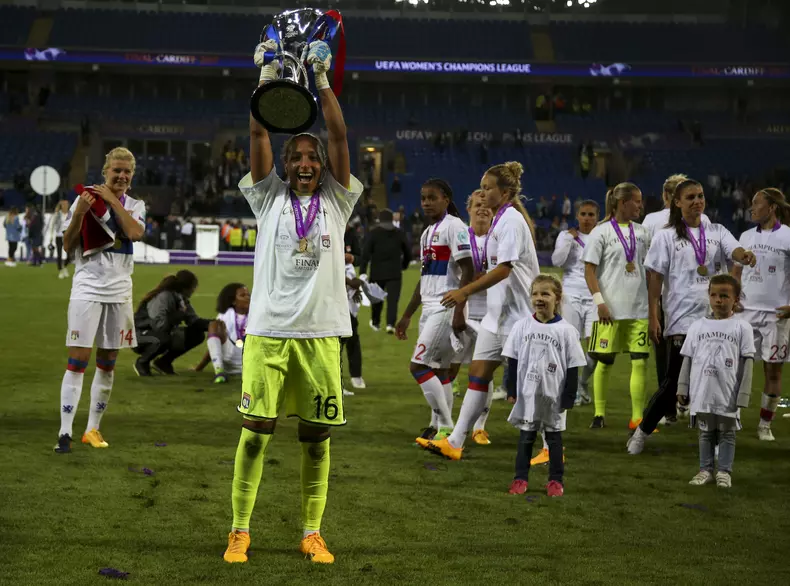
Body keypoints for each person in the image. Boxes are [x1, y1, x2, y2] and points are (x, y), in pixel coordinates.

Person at [222, 38, 362, 566]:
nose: (305, 163)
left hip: (322, 335)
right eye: (296, 157)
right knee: (256, 434)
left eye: (312, 157)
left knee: (316, 438)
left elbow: (339, 135)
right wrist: (264, 78)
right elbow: (258, 130)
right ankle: (240, 530)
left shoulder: (337, 201)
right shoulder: (268, 198)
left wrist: (321, 78)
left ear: (322, 166)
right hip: (267, 332)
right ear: (284, 165)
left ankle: (311, 532)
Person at [417, 162, 540, 460]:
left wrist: (464, 292)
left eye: (488, 188)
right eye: (481, 188)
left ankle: (552, 448)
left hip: (520, 315)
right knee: (477, 374)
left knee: (534, 382)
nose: (482, 193)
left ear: (505, 192)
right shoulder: (499, 221)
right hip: (495, 317)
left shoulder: (511, 221)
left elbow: (504, 269)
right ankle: (455, 441)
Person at [627, 179, 756, 454]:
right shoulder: (665, 236)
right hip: (681, 318)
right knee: (674, 382)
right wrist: (653, 315)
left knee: (718, 378)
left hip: (716, 318)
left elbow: (734, 251)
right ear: (677, 202)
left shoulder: (717, 231)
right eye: (690, 197)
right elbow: (655, 279)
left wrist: (744, 255)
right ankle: (642, 432)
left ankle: (717, 441)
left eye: (700, 196)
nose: (697, 201)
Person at [54, 147, 145, 454]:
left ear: (132, 176)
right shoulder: (85, 200)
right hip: (88, 289)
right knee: (78, 360)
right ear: (105, 171)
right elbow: (68, 245)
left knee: (107, 363)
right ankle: (65, 432)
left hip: (119, 293)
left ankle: (92, 429)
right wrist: (80, 211)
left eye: (127, 172)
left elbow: (134, 232)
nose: (121, 176)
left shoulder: (135, 205)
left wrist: (111, 200)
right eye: (116, 170)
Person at [395, 179, 474, 441]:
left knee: (418, 366)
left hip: (446, 305)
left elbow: (468, 269)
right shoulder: (427, 232)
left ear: (446, 200)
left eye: (432, 198)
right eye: (423, 198)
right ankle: (438, 428)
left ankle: (447, 427)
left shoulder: (455, 226)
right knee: (439, 371)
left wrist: (460, 309)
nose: (426, 203)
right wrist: (407, 315)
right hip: (429, 307)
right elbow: (424, 278)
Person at [504, 275, 587, 497]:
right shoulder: (521, 326)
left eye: (545, 294)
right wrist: (511, 389)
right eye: (535, 294)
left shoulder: (567, 330)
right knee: (526, 437)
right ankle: (520, 478)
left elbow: (573, 366)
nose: (539, 298)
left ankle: (555, 481)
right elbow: (512, 360)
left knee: (554, 439)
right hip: (528, 394)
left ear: (557, 298)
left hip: (554, 396)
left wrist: (569, 395)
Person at [583, 182, 651, 430]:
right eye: (637, 201)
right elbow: (589, 271)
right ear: (623, 203)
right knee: (605, 361)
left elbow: (649, 269)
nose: (640, 206)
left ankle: (637, 418)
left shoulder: (643, 233)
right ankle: (599, 414)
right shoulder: (600, 232)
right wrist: (600, 303)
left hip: (639, 309)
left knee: (640, 360)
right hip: (609, 311)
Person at [677, 275, 755, 488]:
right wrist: (682, 387)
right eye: (713, 295)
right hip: (702, 391)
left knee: (727, 433)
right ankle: (705, 470)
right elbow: (688, 359)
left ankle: (724, 472)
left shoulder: (742, 328)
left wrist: (744, 393)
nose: (718, 300)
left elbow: (748, 362)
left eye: (724, 296)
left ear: (736, 299)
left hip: (727, 392)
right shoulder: (697, 326)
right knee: (705, 433)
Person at [732, 188, 790, 441]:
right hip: (745, 313)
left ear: (772, 207)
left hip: (777, 316)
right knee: (736, 369)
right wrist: (733, 298)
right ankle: (731, 417)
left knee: (773, 371)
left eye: (756, 203)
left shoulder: (788, 236)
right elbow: (736, 273)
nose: (751, 208)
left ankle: (765, 424)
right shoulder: (745, 236)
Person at [448, 190, 494, 445]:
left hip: (491, 313)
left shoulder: (498, 236)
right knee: (450, 368)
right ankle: (444, 423)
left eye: (487, 205)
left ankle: (479, 426)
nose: (482, 209)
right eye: (477, 205)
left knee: (484, 371)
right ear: (469, 209)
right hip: (462, 310)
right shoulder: (460, 236)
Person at [132, 270, 212, 376]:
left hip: (158, 332)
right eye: (193, 287)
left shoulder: (181, 299)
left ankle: (163, 363)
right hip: (138, 336)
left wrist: (215, 324)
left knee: (196, 335)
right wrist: (178, 315)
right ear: (186, 288)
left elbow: (194, 321)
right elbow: (159, 325)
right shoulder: (164, 297)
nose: (194, 291)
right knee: (164, 338)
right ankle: (142, 362)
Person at [361, 208, 411, 333]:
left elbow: (365, 253)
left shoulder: (373, 233)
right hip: (395, 272)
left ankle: (376, 323)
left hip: (376, 272)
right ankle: (390, 324)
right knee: (393, 300)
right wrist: (404, 265)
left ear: (380, 220)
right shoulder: (400, 233)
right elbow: (408, 252)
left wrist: (362, 271)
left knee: (377, 299)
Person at [192, 282, 250, 383]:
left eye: (248, 295)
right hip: (231, 359)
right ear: (233, 301)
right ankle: (219, 372)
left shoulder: (257, 314)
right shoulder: (224, 316)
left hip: (250, 362)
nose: (247, 297)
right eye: (243, 295)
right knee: (214, 325)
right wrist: (199, 367)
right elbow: (214, 345)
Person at [342, 263, 364, 395]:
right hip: (332, 306)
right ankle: (335, 384)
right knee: (334, 347)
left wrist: (355, 284)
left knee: (353, 340)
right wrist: (351, 282)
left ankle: (356, 376)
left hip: (347, 307)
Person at [49, 199, 71, 278]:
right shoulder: (57, 214)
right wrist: (51, 236)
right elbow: (52, 225)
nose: (65, 206)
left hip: (68, 236)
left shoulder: (70, 214)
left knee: (70, 254)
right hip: (59, 236)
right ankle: (60, 270)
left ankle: (64, 266)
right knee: (59, 254)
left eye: (66, 204)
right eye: (63, 204)